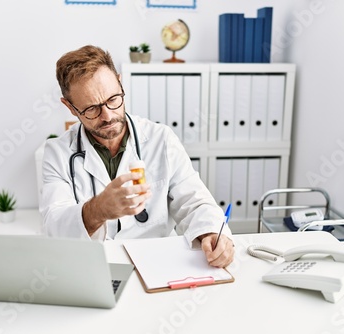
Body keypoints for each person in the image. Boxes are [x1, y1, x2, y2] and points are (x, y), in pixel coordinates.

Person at [40, 45, 234, 268]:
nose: (108, 115)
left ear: (121, 83)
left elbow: (194, 201)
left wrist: (211, 233)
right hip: (93, 267)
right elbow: (53, 226)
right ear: (71, 107)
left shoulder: (161, 139)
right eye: (92, 109)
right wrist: (97, 209)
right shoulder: (58, 153)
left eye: (113, 99)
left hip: (157, 264)